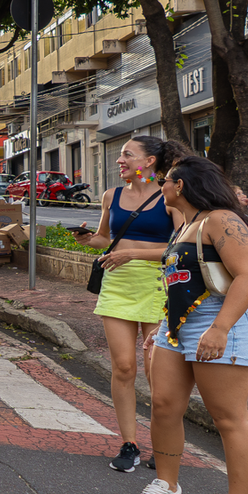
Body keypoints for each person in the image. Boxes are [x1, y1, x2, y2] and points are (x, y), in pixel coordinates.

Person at [130, 157, 248, 494]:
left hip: (219, 322)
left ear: (180, 185)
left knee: (228, 418)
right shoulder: (186, 225)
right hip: (177, 329)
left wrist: (220, 328)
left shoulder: (220, 219)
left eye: (166, 180)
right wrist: (165, 325)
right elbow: (181, 282)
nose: (161, 186)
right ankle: (167, 485)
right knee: (163, 406)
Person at [73, 134, 182, 472]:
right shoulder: (112, 195)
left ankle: (162, 444)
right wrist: (88, 240)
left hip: (156, 286)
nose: (120, 160)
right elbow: (106, 240)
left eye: (127, 155)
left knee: (156, 372)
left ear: (149, 161)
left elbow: (180, 248)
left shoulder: (170, 195)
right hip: (117, 284)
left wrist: (133, 253)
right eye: (121, 155)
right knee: (123, 368)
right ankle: (129, 443)